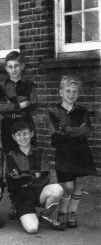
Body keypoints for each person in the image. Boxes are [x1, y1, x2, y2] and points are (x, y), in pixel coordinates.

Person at [48, 76, 96, 228]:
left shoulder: (82, 111)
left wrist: (67, 129)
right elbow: (55, 134)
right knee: (67, 186)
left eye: (75, 91)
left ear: (78, 94)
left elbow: (86, 130)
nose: (71, 94)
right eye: (68, 91)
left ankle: (72, 213)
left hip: (81, 152)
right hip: (63, 153)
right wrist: (76, 130)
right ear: (60, 92)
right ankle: (62, 212)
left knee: (79, 184)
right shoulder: (53, 111)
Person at [0, 51, 38, 219]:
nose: (13, 70)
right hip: (8, 126)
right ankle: (14, 201)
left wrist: (12, 105)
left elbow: (33, 106)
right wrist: (21, 104)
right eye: (10, 67)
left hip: (25, 124)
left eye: (16, 66)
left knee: (27, 160)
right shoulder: (1, 86)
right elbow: (1, 108)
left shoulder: (29, 84)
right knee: (12, 162)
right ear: (6, 68)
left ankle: (28, 199)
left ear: (23, 66)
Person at [6, 119, 65, 233]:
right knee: (32, 229)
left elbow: (45, 176)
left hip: (38, 193)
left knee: (57, 189)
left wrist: (24, 175)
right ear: (13, 137)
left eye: (25, 133)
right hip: (21, 197)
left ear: (32, 134)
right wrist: (34, 174)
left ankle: (44, 216)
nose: (23, 137)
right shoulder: (11, 155)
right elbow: (14, 178)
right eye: (18, 134)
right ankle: (19, 211)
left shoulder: (41, 152)